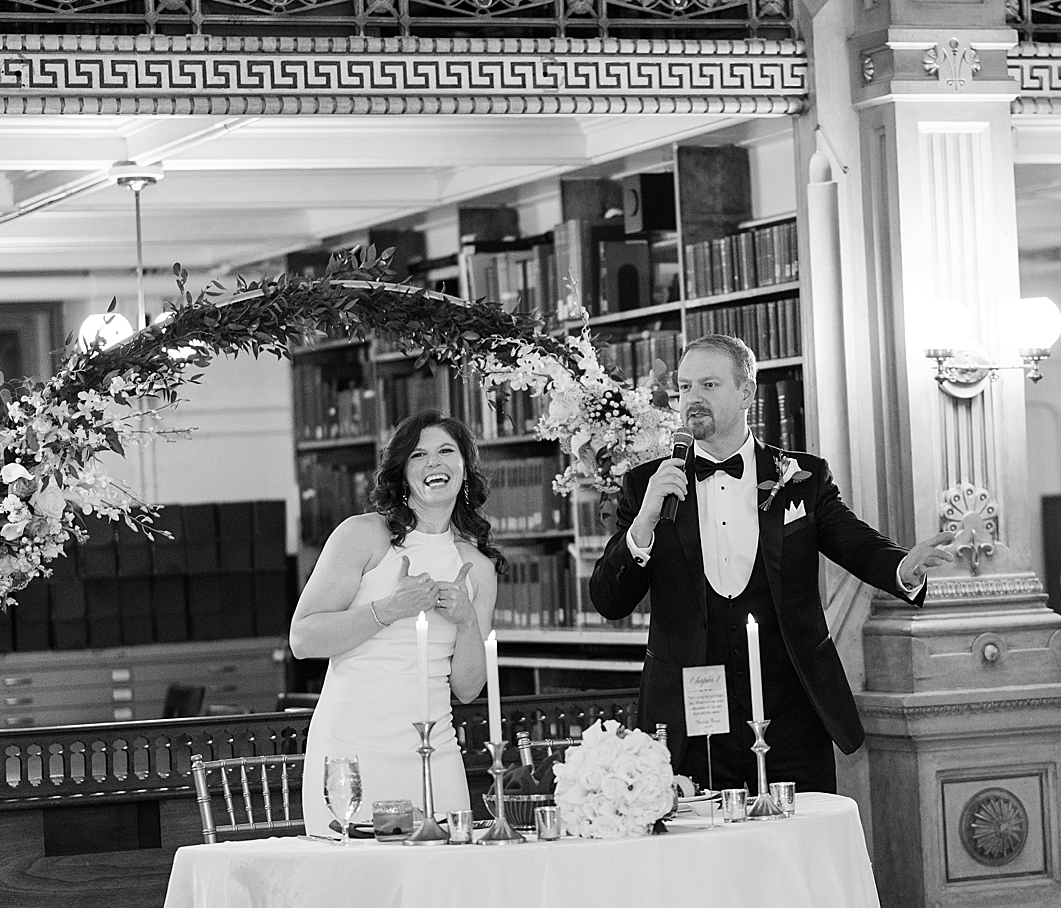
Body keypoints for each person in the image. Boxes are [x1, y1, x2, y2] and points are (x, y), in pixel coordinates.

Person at [589, 334, 954, 794]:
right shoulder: (646, 484)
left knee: (799, 848)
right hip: (694, 713)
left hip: (792, 711)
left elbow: (854, 542)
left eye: (709, 385)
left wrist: (903, 568)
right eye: (685, 388)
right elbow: (609, 599)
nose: (692, 400)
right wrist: (642, 523)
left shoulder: (800, 477)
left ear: (746, 392)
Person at [290, 410, 501, 832]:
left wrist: (465, 623)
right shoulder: (362, 536)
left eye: (447, 451)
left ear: (465, 467)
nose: (435, 463)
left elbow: (467, 687)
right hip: (351, 748)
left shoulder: (477, 567)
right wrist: (389, 609)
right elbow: (303, 639)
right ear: (402, 473)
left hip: (434, 748)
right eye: (419, 455)